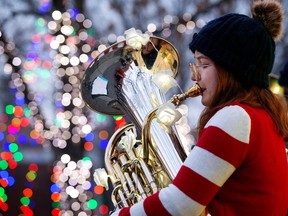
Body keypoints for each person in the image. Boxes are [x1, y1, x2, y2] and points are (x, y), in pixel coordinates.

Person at [111, 0, 288, 215]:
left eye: (204, 65)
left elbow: (180, 205)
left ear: (232, 70)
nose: (196, 76)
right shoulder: (262, 117)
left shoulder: (236, 117)